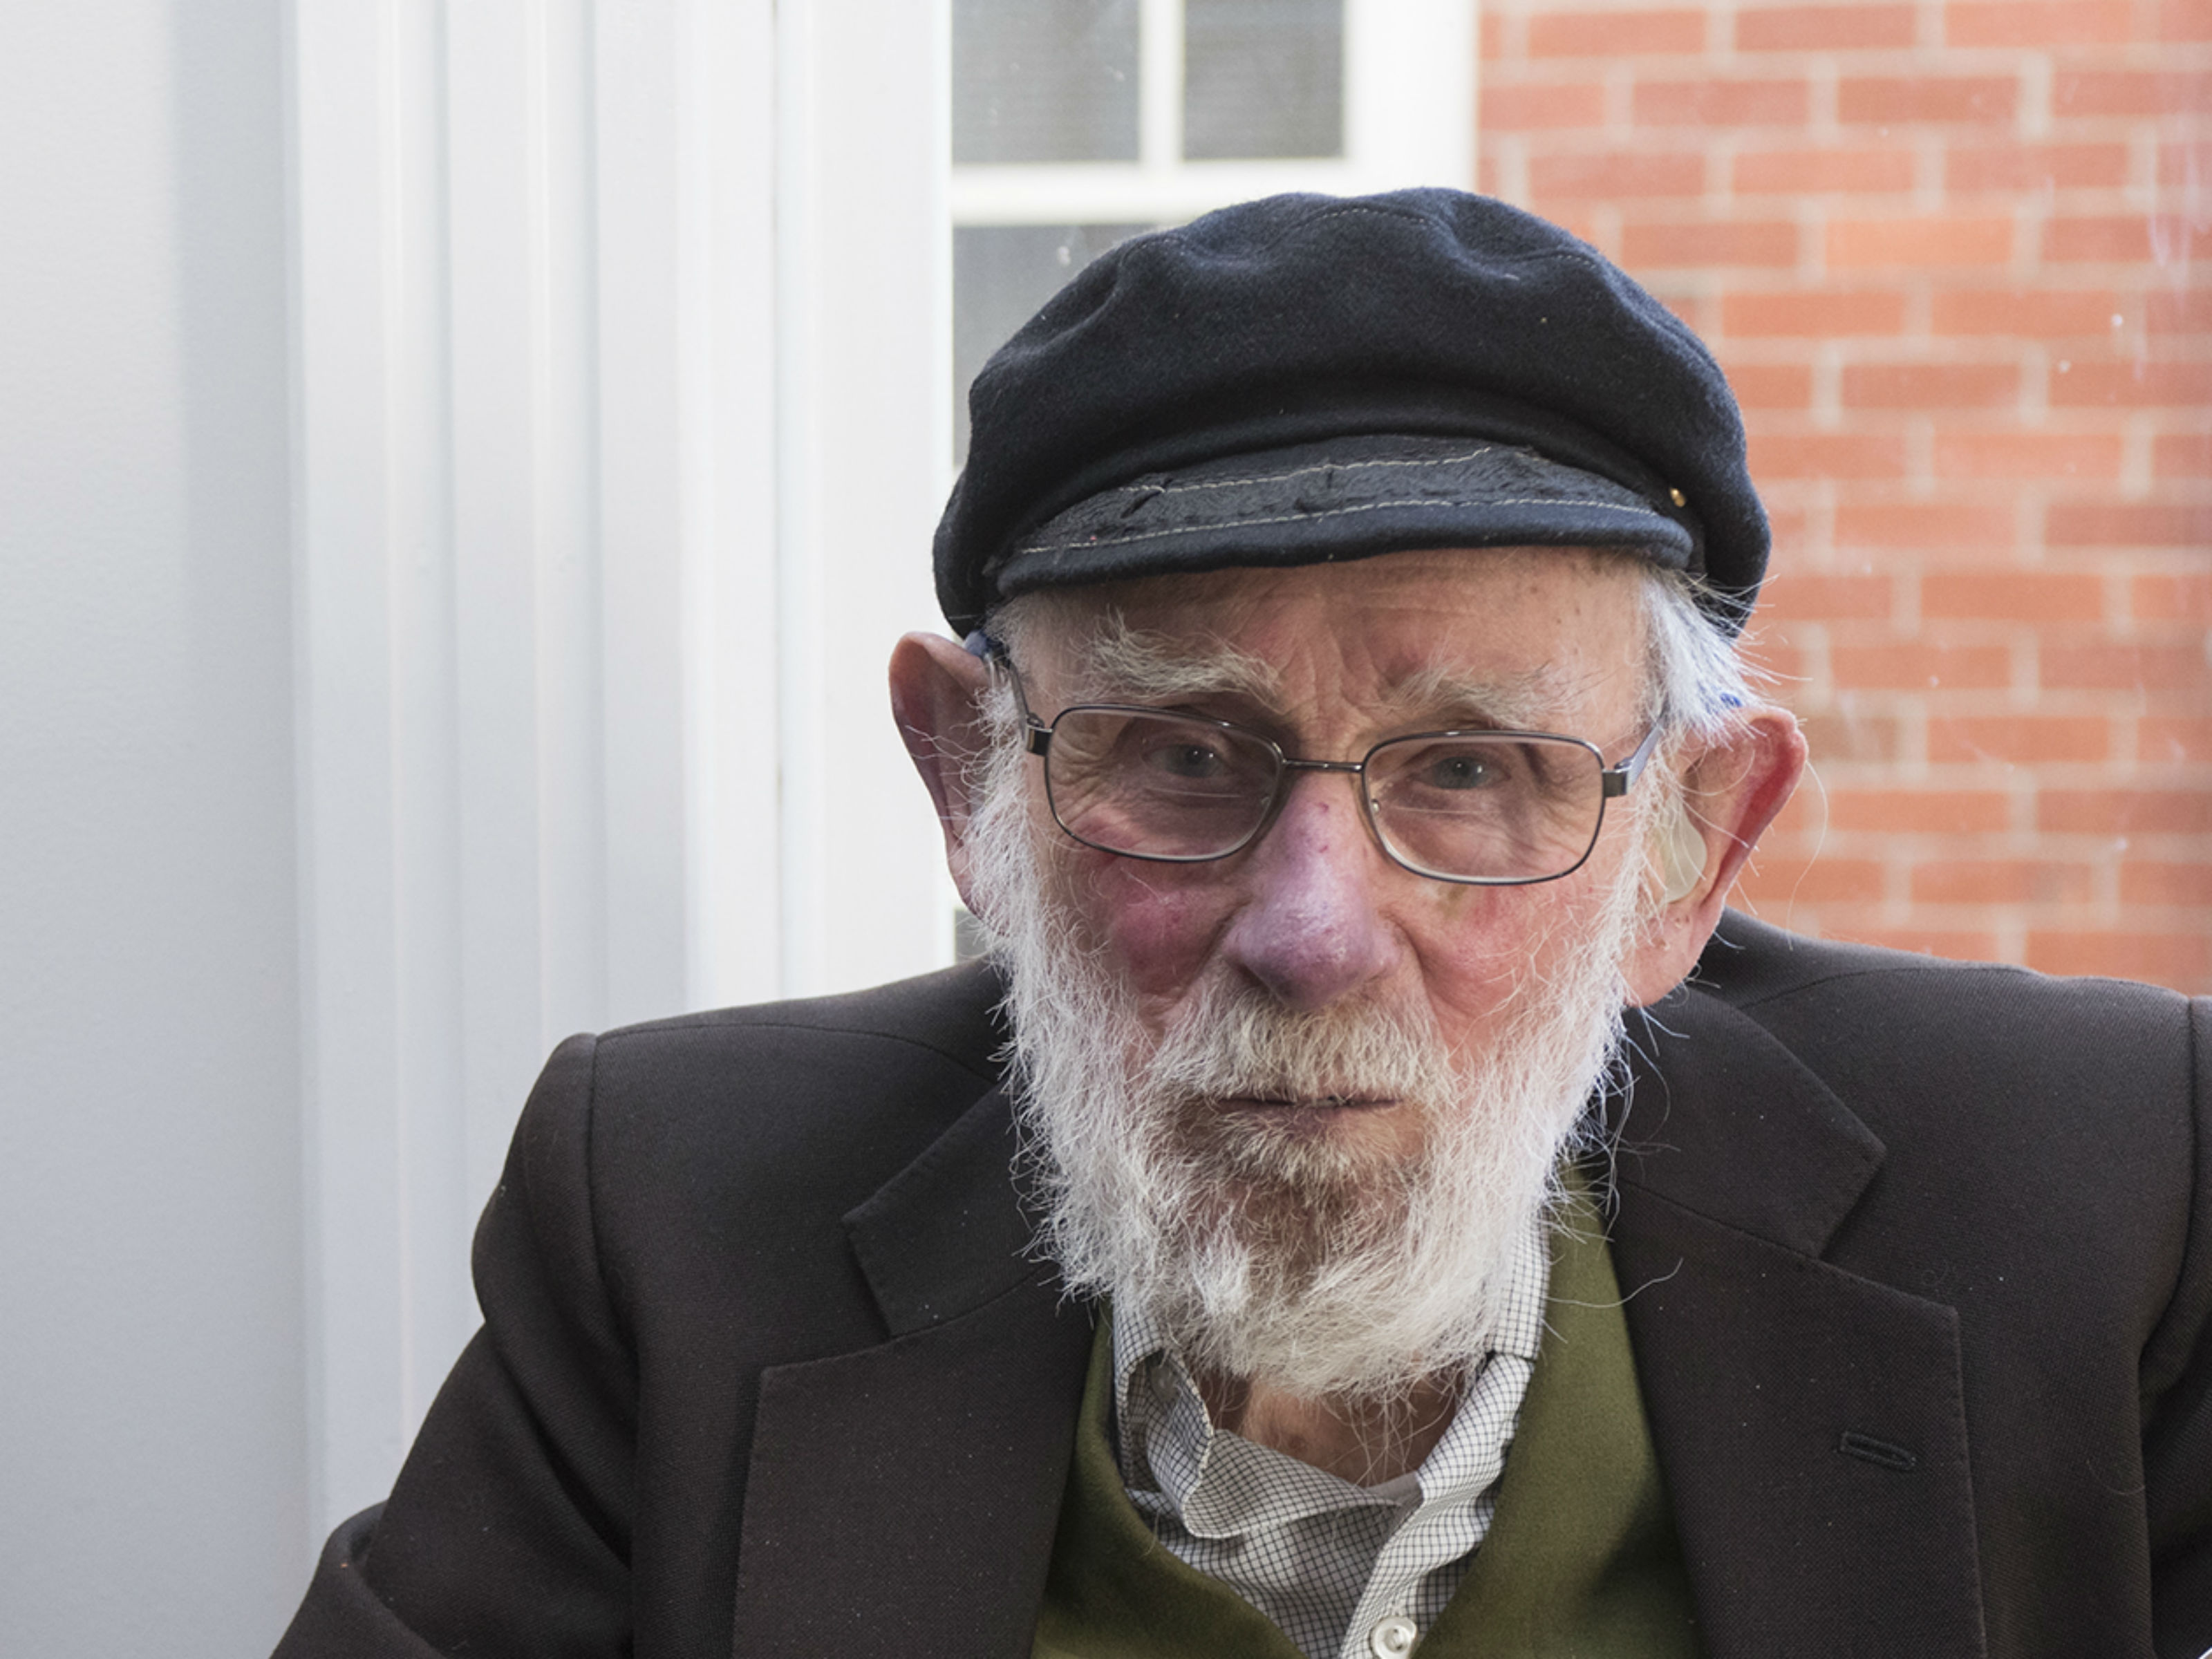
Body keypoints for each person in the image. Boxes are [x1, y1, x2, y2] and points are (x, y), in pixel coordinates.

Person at [273, 190, 2212, 1659]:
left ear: (1691, 844)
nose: (1311, 927)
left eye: (1472, 773)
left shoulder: (2104, 1191)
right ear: (971, 784)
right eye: (1182, 757)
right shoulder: (677, 1212)